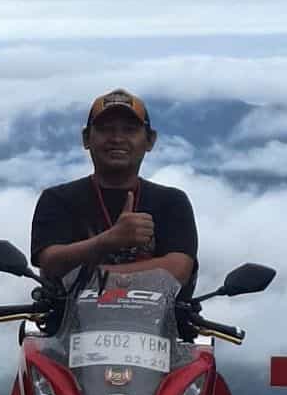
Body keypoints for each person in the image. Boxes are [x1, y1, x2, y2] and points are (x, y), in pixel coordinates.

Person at [29, 89, 198, 288]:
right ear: (86, 138)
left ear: (150, 140)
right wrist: (109, 240)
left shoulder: (171, 202)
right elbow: (50, 263)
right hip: (68, 310)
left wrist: (87, 276)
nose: (117, 138)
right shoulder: (58, 199)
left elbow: (178, 270)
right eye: (105, 129)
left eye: (129, 130)